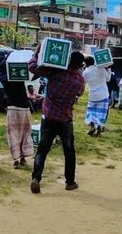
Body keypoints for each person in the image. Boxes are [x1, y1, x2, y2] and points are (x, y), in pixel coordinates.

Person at [28, 45, 85, 194]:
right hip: (65, 119)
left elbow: (32, 67)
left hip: (49, 117)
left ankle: (36, 178)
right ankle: (70, 182)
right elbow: (80, 93)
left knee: (42, 149)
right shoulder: (79, 80)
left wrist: (38, 52)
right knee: (69, 151)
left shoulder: (55, 72)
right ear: (80, 65)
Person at [0, 57, 34, 169]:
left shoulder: (5, 79)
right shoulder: (19, 74)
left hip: (12, 107)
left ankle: (16, 160)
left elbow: (0, 72)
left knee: (13, 134)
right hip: (24, 107)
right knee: (25, 133)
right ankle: (23, 158)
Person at [83, 56, 112, 137]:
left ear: (86, 63)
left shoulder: (86, 72)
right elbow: (108, 79)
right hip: (103, 94)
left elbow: (83, 82)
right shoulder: (100, 69)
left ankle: (92, 126)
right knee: (101, 114)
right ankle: (99, 130)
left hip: (93, 96)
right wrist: (109, 68)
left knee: (91, 113)